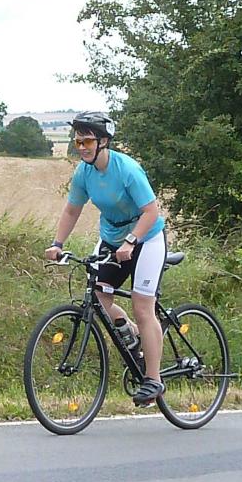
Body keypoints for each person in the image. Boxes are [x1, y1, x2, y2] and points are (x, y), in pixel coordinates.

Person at [45, 112, 167, 406]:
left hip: (147, 238)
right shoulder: (84, 173)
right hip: (113, 240)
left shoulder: (127, 169)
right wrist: (57, 244)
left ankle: (153, 379)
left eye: (87, 141)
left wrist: (131, 240)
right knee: (100, 297)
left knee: (142, 306)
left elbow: (151, 211)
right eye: (78, 142)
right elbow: (72, 210)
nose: (81, 147)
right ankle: (133, 337)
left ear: (103, 141)